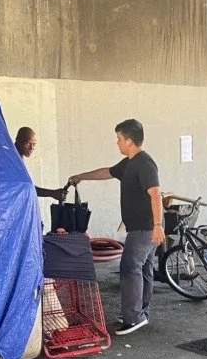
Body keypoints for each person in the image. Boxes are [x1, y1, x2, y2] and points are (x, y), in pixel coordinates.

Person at [68, 118, 164, 336]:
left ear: (129, 141)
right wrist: (80, 177)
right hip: (142, 227)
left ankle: (133, 318)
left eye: (119, 139)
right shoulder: (129, 162)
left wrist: (158, 225)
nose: (117, 143)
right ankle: (139, 313)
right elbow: (107, 172)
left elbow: (156, 194)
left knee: (130, 268)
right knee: (144, 268)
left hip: (145, 227)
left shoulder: (145, 163)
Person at [14, 126, 65, 201]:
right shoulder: (12, 160)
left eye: (34, 144)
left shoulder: (18, 159)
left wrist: (52, 193)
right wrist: (52, 193)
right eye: (28, 143)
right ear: (18, 141)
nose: (31, 148)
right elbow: (25, 187)